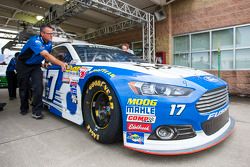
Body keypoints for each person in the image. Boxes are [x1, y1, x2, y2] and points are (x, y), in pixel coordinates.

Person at [16, 24, 67, 119]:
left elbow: (48, 54)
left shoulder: (49, 43)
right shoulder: (35, 41)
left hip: (35, 66)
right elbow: (46, 55)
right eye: (49, 33)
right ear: (42, 33)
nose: (52, 35)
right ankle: (24, 107)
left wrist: (46, 62)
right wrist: (61, 63)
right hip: (23, 65)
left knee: (39, 86)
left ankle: (36, 110)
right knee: (24, 87)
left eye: (52, 33)